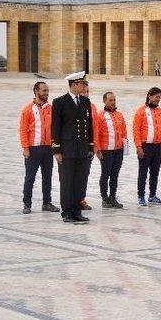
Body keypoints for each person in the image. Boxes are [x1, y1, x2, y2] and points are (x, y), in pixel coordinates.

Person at [51, 71, 93, 224]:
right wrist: (56, 150)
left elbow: (90, 127)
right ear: (74, 84)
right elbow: (55, 127)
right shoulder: (60, 102)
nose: (84, 86)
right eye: (83, 83)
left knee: (80, 182)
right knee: (67, 181)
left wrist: (90, 146)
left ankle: (77, 211)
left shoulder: (85, 102)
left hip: (82, 149)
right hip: (67, 150)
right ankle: (67, 211)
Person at [19, 81, 59, 214]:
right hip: (33, 148)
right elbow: (23, 130)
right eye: (44, 91)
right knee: (30, 177)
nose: (46, 93)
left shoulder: (51, 109)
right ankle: (27, 203)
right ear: (36, 92)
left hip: (48, 148)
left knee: (47, 176)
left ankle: (47, 203)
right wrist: (25, 148)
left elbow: (55, 129)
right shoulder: (28, 109)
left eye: (47, 91)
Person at [133, 87, 161, 207]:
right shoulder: (141, 111)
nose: (158, 100)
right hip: (145, 146)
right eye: (156, 97)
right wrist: (138, 147)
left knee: (155, 172)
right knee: (143, 172)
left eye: (159, 97)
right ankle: (141, 196)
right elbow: (136, 130)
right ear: (149, 96)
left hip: (157, 146)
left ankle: (152, 195)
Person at [95, 92, 127, 209]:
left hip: (118, 150)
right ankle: (105, 198)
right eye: (110, 100)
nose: (113, 102)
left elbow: (124, 132)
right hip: (106, 150)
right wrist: (98, 150)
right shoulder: (100, 116)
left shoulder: (119, 115)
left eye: (114, 100)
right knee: (105, 174)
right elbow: (96, 134)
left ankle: (113, 197)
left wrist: (125, 147)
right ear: (104, 101)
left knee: (115, 174)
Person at [77, 86, 98, 211]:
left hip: (88, 147)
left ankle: (81, 199)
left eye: (88, 91)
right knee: (73, 175)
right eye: (84, 91)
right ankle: (71, 199)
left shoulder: (92, 107)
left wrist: (95, 145)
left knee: (84, 174)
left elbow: (95, 127)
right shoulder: (71, 105)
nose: (86, 94)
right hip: (74, 147)